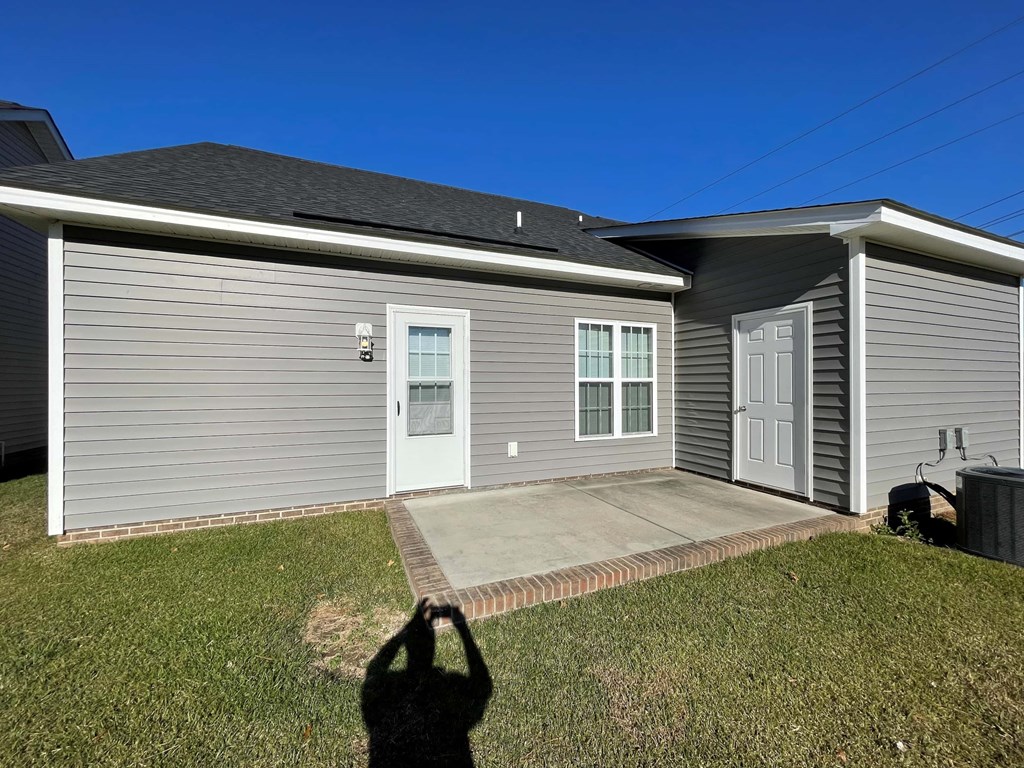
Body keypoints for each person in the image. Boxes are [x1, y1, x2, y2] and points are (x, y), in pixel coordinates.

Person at [361, 599, 492, 767]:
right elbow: (482, 686)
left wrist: (404, 633)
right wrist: (463, 629)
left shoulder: (385, 698)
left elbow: (374, 669)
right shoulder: (450, 703)